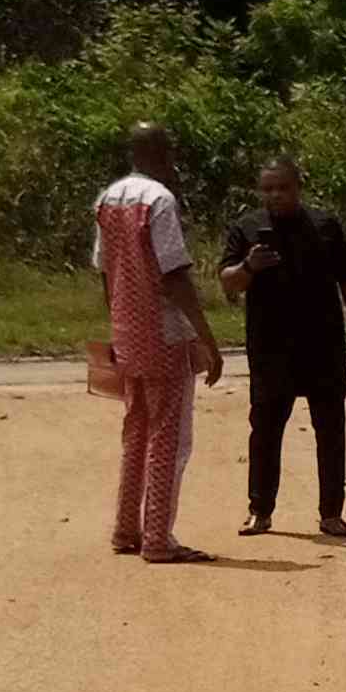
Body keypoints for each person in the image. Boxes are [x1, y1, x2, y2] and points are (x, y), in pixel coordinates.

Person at [224, 154, 346, 536]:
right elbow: (228, 281)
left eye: (283, 187)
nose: (275, 195)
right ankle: (260, 511)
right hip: (269, 347)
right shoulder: (247, 228)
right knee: (264, 429)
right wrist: (249, 267)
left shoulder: (324, 226)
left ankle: (331, 513)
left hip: (322, 345)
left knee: (330, 429)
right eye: (268, 189)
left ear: (298, 187)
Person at [91, 124, 221, 559]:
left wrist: (115, 324)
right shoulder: (160, 201)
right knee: (169, 437)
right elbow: (174, 273)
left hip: (128, 330)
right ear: (163, 153)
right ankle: (158, 539)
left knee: (136, 432)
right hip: (164, 333)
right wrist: (206, 337)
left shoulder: (108, 198)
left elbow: (104, 269)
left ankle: (126, 530)